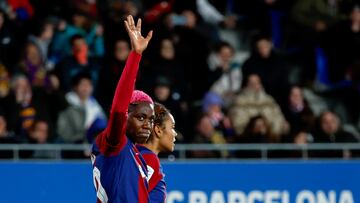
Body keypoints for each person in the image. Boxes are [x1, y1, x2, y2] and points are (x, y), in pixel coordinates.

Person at [91, 15, 154, 202]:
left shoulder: (137, 158)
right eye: (141, 117)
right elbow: (119, 108)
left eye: (150, 119)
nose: (147, 124)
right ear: (127, 116)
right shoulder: (115, 143)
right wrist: (135, 55)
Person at [136, 102, 177, 203]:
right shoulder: (148, 159)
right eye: (172, 127)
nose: (175, 133)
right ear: (158, 130)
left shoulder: (137, 154)